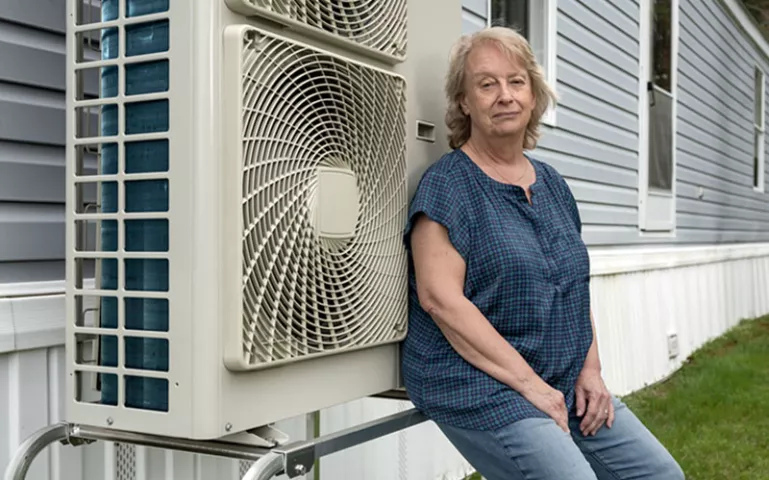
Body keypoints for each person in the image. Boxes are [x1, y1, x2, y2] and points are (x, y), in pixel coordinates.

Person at [401, 26, 685, 480]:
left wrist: (590, 370)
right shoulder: (447, 187)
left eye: (516, 82)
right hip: (476, 382)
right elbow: (441, 301)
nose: (504, 96)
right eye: (486, 84)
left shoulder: (552, 184)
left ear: (534, 95)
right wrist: (534, 388)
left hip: (559, 375)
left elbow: (574, 283)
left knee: (659, 475)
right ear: (463, 102)